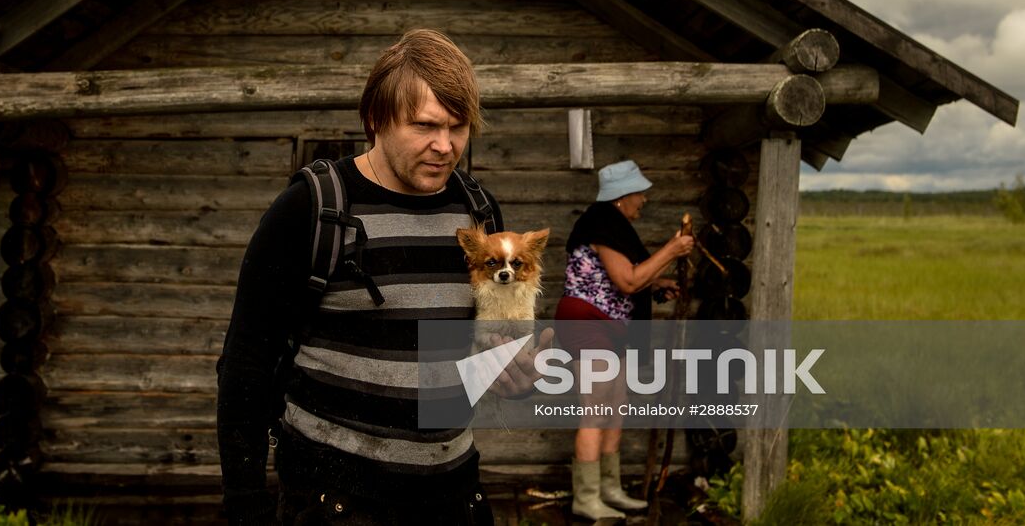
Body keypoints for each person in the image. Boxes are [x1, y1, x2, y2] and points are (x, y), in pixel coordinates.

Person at [217, 29, 522, 526]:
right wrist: (245, 509)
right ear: (376, 119)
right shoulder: (312, 208)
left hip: (454, 498)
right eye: (424, 125)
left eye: (458, 127)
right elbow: (244, 366)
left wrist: (512, 378)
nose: (445, 146)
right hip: (336, 504)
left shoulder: (479, 213)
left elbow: (473, 357)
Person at [553, 159, 694, 521]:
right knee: (596, 408)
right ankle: (586, 499)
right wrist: (672, 250)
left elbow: (624, 279)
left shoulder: (614, 226)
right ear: (622, 196)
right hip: (588, 323)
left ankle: (608, 489)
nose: (644, 201)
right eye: (640, 194)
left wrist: (658, 283)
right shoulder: (601, 224)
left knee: (615, 406)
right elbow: (628, 281)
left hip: (608, 324)